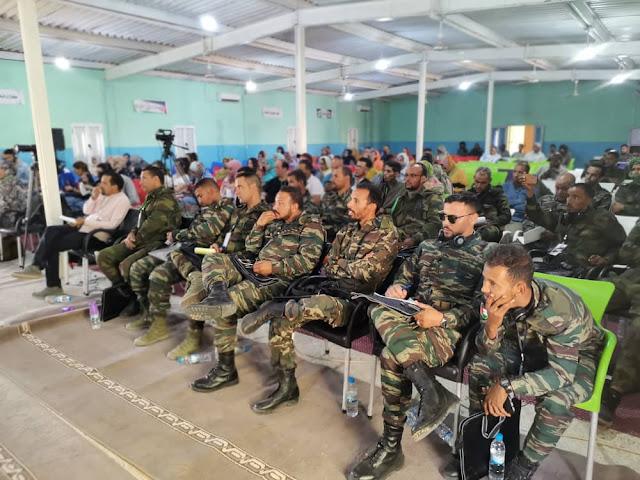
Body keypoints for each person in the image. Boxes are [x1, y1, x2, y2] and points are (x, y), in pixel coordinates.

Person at [347, 193, 489, 480]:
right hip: (410, 318)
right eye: (442, 216)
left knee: (390, 355)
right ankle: (430, 389)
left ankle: (391, 447)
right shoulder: (427, 246)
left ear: (473, 219)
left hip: (445, 330)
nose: (445, 222)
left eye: (452, 218)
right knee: (376, 307)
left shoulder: (487, 254)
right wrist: (397, 289)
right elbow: (405, 276)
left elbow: (480, 307)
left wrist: (442, 318)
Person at [241, 183, 398, 413]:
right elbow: (329, 266)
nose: (349, 204)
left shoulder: (387, 235)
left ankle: (277, 306)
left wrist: (339, 265)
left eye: (356, 200)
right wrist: (343, 266)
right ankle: (287, 387)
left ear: (372, 206)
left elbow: (367, 272)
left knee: (313, 303)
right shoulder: (347, 230)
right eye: (350, 198)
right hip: (330, 290)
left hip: (355, 304)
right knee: (281, 322)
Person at [460, 244, 603, 479]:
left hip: (576, 357)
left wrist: (508, 386)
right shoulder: (495, 299)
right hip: (529, 346)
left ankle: (524, 466)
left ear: (519, 288)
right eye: (485, 279)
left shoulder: (559, 312)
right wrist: (492, 326)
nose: (484, 288)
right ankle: (483, 439)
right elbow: (484, 349)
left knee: (556, 400)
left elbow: (561, 375)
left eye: (492, 283)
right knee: (481, 367)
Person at [185, 186, 325, 393]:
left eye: (281, 203)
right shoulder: (276, 222)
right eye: (275, 201)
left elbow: (307, 263)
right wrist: (259, 225)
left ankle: (225, 370)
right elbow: (252, 248)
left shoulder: (310, 225)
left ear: (295, 206)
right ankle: (216, 293)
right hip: (254, 267)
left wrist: (273, 267)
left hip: (279, 280)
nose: (275, 206)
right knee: (213, 260)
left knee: (227, 305)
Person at [170, 171, 269, 360]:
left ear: (253, 187)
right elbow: (227, 235)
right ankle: (196, 336)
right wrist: (219, 245)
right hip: (224, 259)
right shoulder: (239, 210)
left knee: (208, 280)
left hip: (243, 266)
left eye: (239, 186)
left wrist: (226, 256)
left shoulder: (265, 214)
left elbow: (259, 251)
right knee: (189, 263)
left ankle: (205, 344)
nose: (235, 190)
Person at [125, 178, 235, 343]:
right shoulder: (206, 209)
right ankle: (152, 318)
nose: (199, 199)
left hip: (203, 258)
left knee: (162, 276)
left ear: (212, 191)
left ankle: (192, 336)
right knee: (143, 269)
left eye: (201, 195)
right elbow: (194, 231)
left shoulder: (226, 207)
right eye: (197, 196)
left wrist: (177, 235)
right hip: (186, 251)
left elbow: (207, 232)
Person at [14, 171, 130, 296]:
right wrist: (93, 198)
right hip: (84, 227)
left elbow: (112, 225)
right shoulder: (104, 195)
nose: (100, 185)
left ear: (115, 186)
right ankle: (37, 267)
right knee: (51, 230)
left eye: (104, 183)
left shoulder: (122, 201)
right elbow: (86, 210)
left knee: (52, 244)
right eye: (101, 182)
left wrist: (85, 221)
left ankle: (51, 283)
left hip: (95, 236)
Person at [97, 165, 182, 297]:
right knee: (104, 256)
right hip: (141, 240)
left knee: (127, 264)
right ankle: (124, 291)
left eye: (144, 178)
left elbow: (151, 227)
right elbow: (140, 222)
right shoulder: (151, 198)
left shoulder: (166, 200)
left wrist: (133, 240)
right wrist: (131, 233)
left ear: (156, 179)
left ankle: (138, 299)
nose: (140, 182)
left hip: (157, 244)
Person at [525, 183, 626, 274]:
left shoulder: (603, 218)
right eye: (568, 196)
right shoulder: (565, 215)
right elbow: (537, 216)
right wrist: (530, 196)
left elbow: (621, 245)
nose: (569, 201)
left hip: (582, 270)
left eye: (575, 197)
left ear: (589, 200)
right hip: (554, 263)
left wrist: (605, 259)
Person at [600, 219, 640, 425]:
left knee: (639, 328)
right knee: (587, 297)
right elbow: (626, 252)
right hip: (632, 279)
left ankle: (615, 391)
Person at [391, 163, 443, 250]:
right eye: (406, 175)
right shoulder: (402, 197)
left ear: (423, 178)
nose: (407, 179)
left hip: (418, 245)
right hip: (397, 239)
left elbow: (435, 225)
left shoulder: (433, 199)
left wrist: (414, 239)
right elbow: (394, 219)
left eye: (413, 176)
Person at [469, 167, 512, 242]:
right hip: (471, 225)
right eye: (477, 181)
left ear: (489, 180)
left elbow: (506, 215)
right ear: (474, 178)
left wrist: (491, 221)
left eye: (483, 183)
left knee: (485, 233)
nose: (479, 185)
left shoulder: (497, 194)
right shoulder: (468, 194)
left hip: (491, 226)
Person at [321, 166, 353, 242]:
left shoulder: (353, 199)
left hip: (339, 241)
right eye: (332, 176)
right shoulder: (328, 196)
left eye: (336, 176)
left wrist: (323, 229)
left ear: (347, 178)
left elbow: (349, 227)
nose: (332, 180)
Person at [0, 159, 26, 229]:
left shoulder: (8, 184)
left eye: (1, 168)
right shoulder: (12, 181)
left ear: (6, 170)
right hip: (13, 216)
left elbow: (4, 206)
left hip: (10, 218)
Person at [502, 161, 529, 228]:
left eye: (520, 172)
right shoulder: (505, 186)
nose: (516, 175)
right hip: (506, 220)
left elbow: (524, 208)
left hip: (522, 221)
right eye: (514, 171)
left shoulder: (529, 189)